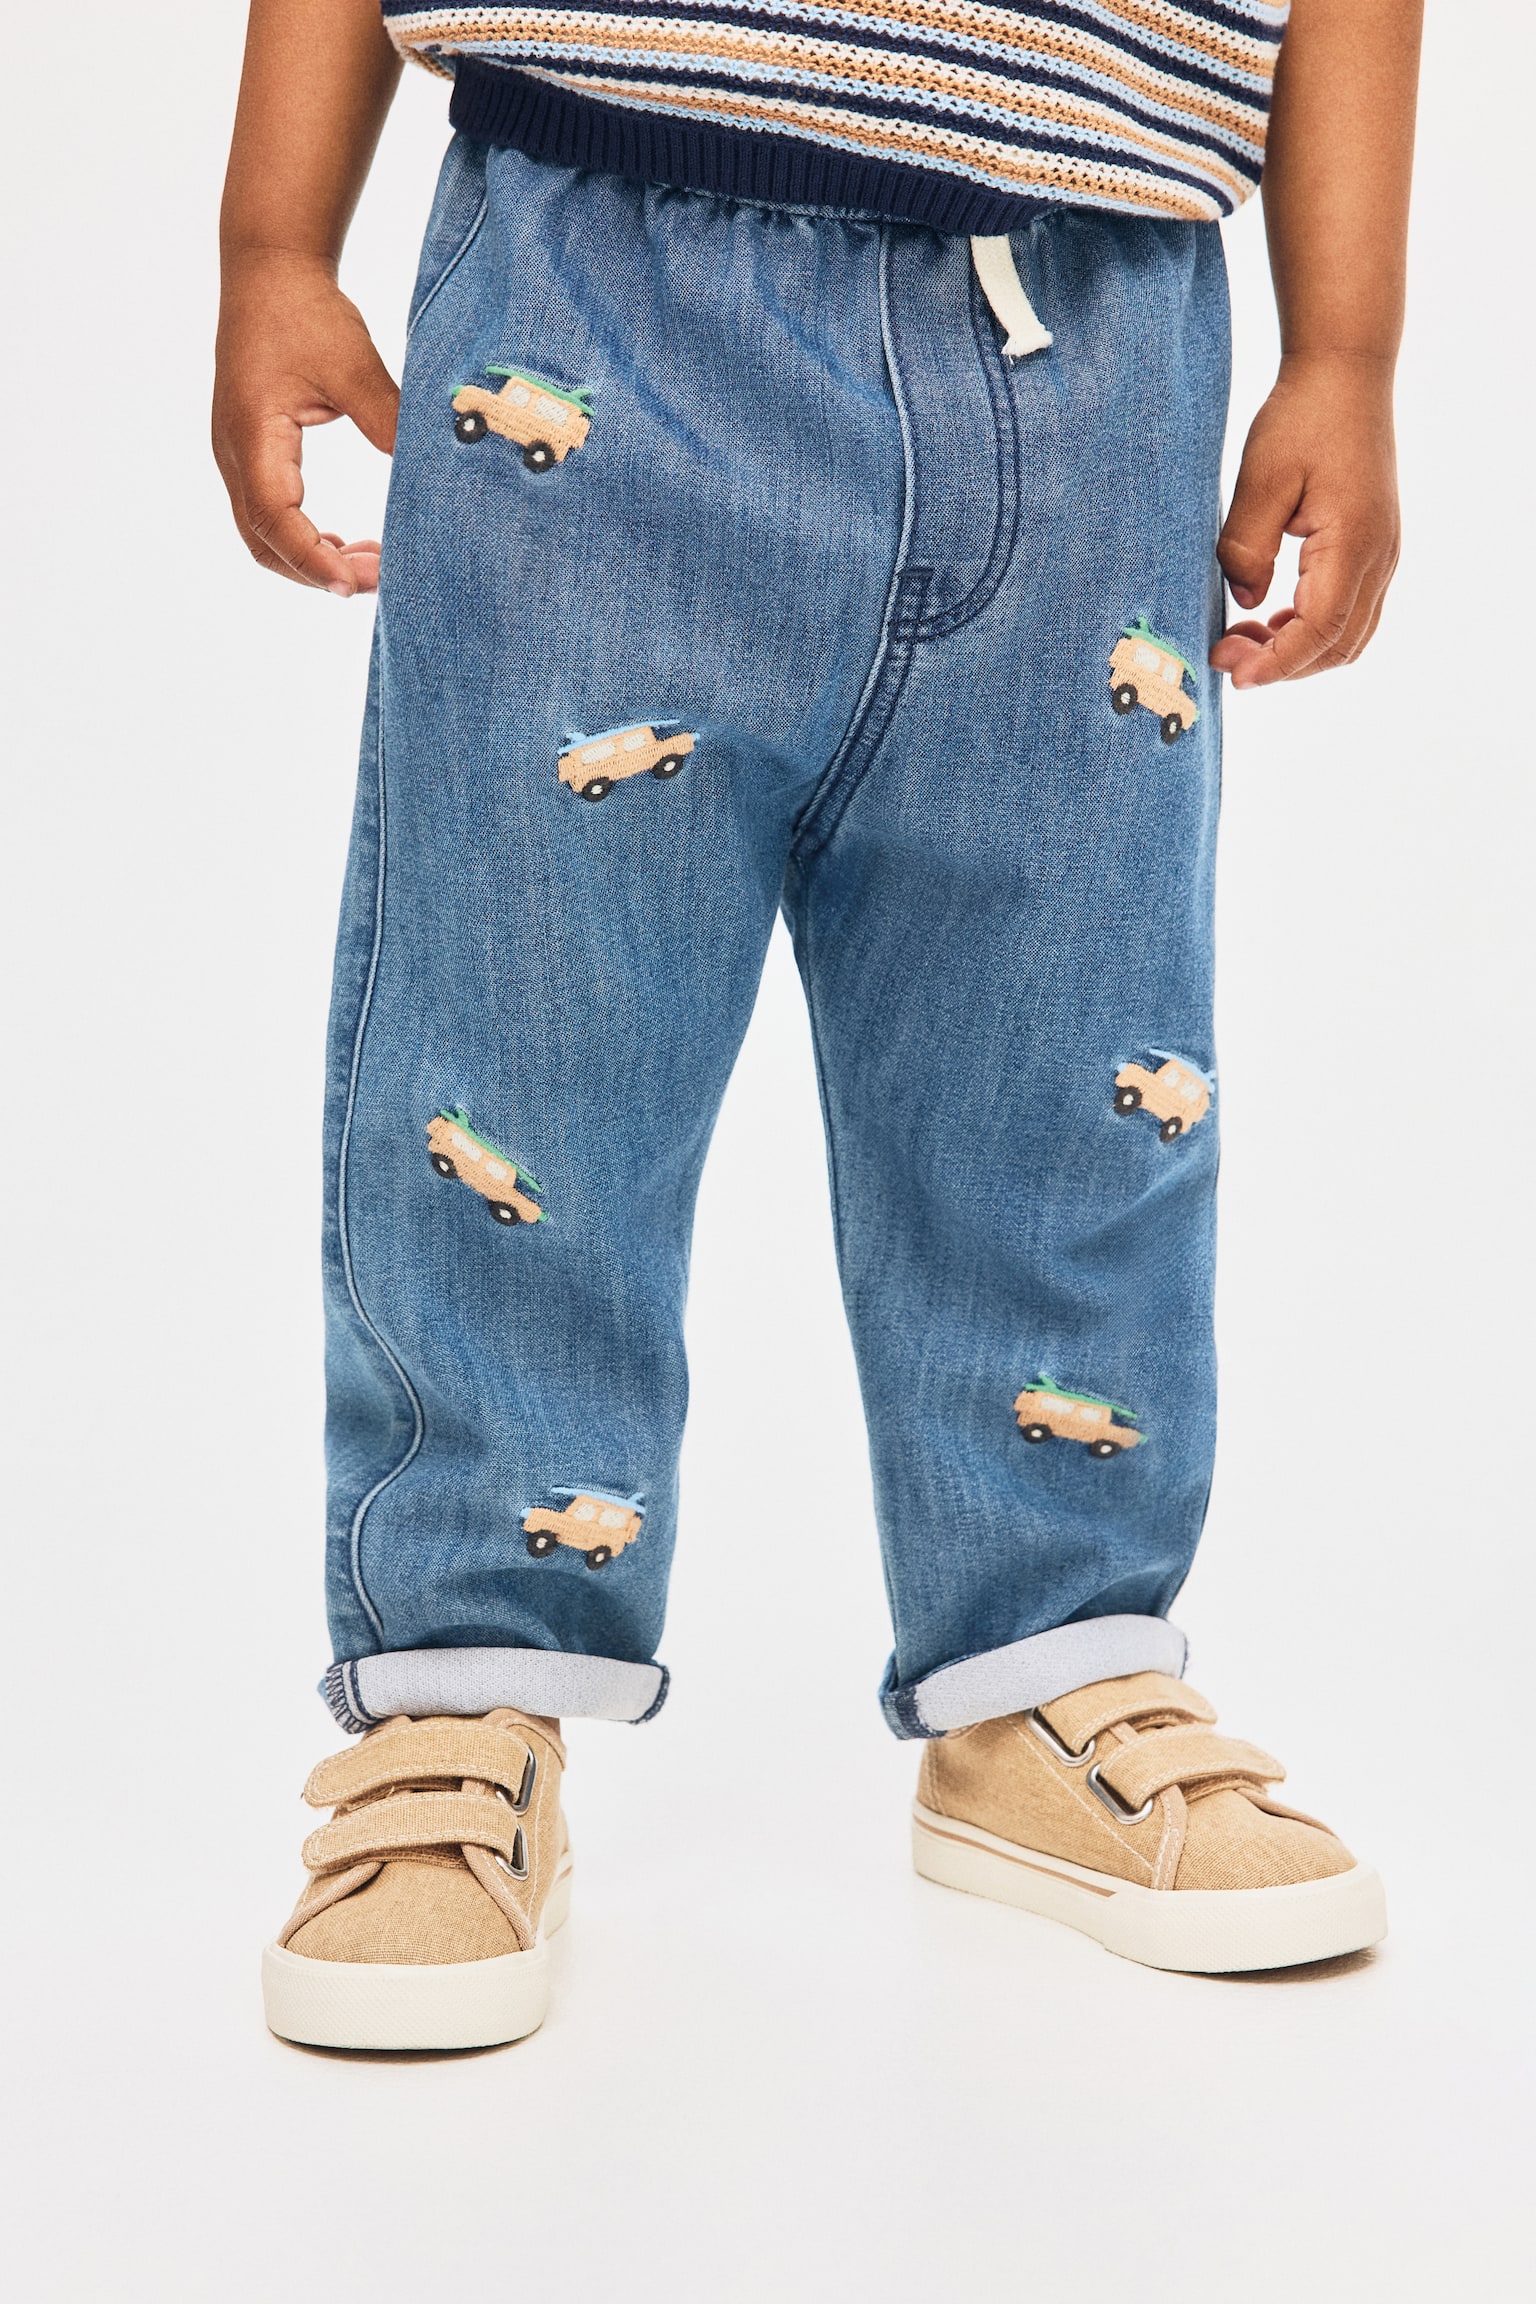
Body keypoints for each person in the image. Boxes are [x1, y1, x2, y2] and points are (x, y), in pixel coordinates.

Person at [215, 0, 1422, 2051]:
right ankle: (459, 1702)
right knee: (520, 1044)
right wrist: (271, 239)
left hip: (1093, 328)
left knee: (1068, 1052)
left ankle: (1050, 1671)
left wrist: (1351, 348)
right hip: (599, 271)